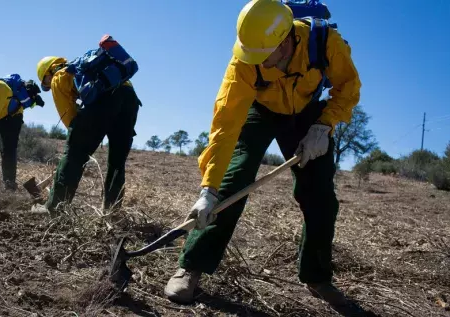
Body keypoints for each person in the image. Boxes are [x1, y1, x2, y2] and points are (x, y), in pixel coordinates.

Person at [163, 0, 361, 308]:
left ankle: (317, 276)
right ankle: (191, 266)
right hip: (262, 111)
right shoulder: (243, 62)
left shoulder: (325, 44)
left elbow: (348, 86)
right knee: (235, 176)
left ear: (285, 42)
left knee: (320, 194)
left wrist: (324, 125)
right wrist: (208, 190)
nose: (258, 63)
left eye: (263, 56)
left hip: (308, 115)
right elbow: (225, 125)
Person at [35, 48, 141, 214]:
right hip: (130, 98)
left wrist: (79, 138)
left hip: (104, 101)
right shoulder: (89, 69)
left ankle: (54, 209)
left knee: (74, 155)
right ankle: (111, 212)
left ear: (48, 73)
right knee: (117, 162)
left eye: (46, 82)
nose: (49, 85)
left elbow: (69, 119)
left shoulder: (60, 76)